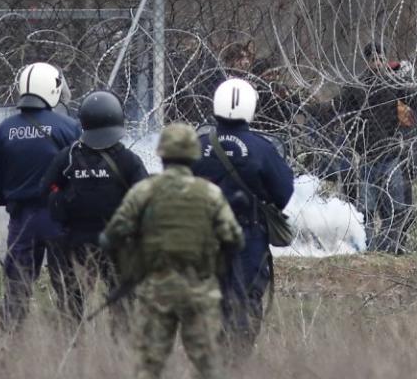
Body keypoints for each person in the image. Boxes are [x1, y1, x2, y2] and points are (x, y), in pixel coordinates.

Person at [100, 123, 244, 379]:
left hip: (156, 288)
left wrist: (131, 265)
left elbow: (112, 235)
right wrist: (215, 268)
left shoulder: (144, 191)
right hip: (199, 288)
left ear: (161, 153)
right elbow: (234, 238)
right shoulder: (210, 193)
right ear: (194, 154)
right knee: (208, 366)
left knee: (148, 366)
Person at [191, 78, 294, 357]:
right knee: (245, 302)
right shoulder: (262, 148)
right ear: (250, 107)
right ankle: (234, 362)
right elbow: (283, 192)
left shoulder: (196, 145)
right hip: (247, 236)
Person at [0, 62, 82, 331]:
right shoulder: (69, 127)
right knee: (67, 281)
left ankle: (11, 343)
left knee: (17, 285)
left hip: (21, 220)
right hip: (59, 217)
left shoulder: (4, 130)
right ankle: (74, 339)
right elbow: (79, 170)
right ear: (52, 88)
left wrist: (11, 199)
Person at [42, 90, 149, 325]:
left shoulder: (67, 157)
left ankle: (73, 347)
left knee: (72, 305)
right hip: (117, 245)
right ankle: (120, 350)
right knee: (123, 306)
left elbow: (45, 190)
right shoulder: (128, 160)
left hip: (74, 243)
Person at [332, 42, 415, 252]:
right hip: (366, 158)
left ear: (385, 59)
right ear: (367, 62)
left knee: (395, 209)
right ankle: (365, 246)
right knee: (365, 211)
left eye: (380, 59)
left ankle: (389, 246)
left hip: (391, 157)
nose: (377, 63)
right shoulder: (356, 88)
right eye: (373, 60)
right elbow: (336, 107)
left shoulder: (395, 85)